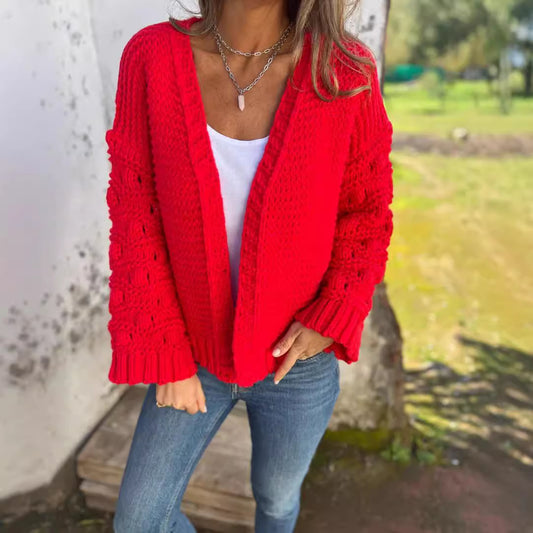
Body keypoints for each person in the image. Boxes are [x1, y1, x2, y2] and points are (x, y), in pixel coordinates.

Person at [107, 1, 394, 531]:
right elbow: (135, 214)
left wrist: (331, 314)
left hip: (298, 360)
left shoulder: (342, 71)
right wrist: (165, 354)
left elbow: (367, 212)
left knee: (277, 501)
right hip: (192, 350)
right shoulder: (152, 58)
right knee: (140, 521)